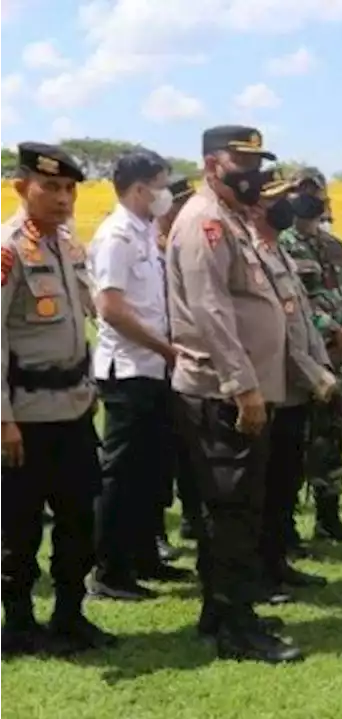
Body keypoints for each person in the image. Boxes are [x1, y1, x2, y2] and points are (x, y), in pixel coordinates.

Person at [167, 125, 299, 663]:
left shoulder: (231, 220)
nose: (254, 174)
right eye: (240, 162)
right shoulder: (205, 222)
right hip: (222, 394)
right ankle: (237, 630)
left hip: (238, 391)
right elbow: (211, 311)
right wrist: (244, 387)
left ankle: (221, 611)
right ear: (211, 164)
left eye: (257, 162)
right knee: (233, 513)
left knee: (233, 509)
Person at [0, 143, 115, 657]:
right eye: (51, 187)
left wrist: (88, 391)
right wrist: (3, 421)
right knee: (18, 529)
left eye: (70, 189)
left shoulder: (67, 245)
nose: (63, 199)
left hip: (72, 410)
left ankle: (69, 616)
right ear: (22, 186)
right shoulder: (7, 249)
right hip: (24, 418)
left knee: (78, 521)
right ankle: (20, 624)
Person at [88, 150, 194, 602]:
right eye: (161, 184)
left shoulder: (146, 232)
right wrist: (165, 349)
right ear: (139, 189)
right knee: (121, 475)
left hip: (153, 369)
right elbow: (110, 308)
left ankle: (145, 559)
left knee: (153, 472)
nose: (166, 193)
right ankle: (109, 572)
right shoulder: (115, 235)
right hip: (129, 370)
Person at [250, 172, 336, 602]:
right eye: (281, 199)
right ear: (259, 206)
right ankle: (259, 575)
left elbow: (300, 319)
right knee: (264, 487)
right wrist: (316, 372)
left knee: (285, 481)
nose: (291, 205)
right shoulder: (252, 252)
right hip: (273, 385)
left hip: (295, 387)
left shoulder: (275, 252)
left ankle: (277, 562)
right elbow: (272, 329)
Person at [279, 170, 342, 543]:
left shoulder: (335, 246)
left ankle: (329, 517)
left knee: (332, 436)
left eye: (316, 192)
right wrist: (332, 328)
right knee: (295, 440)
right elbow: (292, 302)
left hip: (336, 360)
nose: (310, 198)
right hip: (300, 361)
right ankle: (285, 527)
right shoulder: (281, 244)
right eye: (303, 192)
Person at [154, 176, 201, 552]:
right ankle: (155, 529)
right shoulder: (150, 244)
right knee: (160, 454)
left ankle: (192, 517)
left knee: (191, 447)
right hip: (158, 360)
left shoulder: (185, 243)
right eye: (180, 202)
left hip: (187, 359)